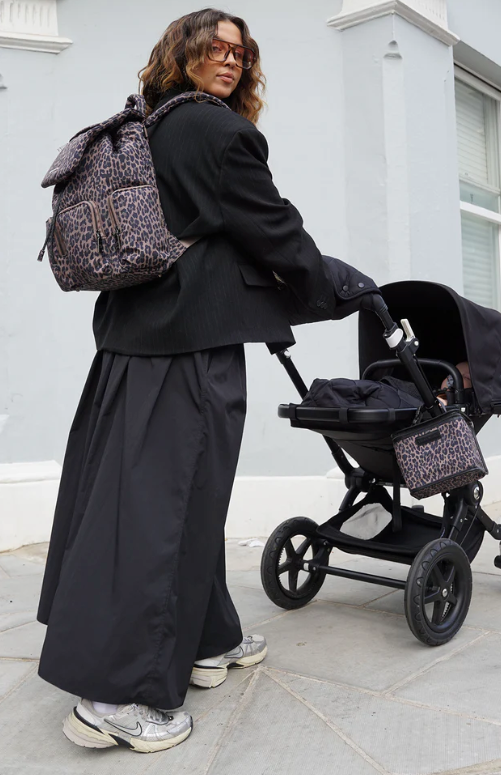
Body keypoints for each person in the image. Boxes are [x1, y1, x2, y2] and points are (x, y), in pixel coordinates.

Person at [35, 8, 378, 755]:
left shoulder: (149, 126)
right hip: (187, 350)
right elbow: (274, 230)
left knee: (173, 503)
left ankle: (205, 637)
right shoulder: (219, 132)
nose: (230, 59)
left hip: (133, 343)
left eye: (240, 51)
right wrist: (341, 289)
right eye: (214, 47)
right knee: (159, 516)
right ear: (181, 53)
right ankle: (112, 697)